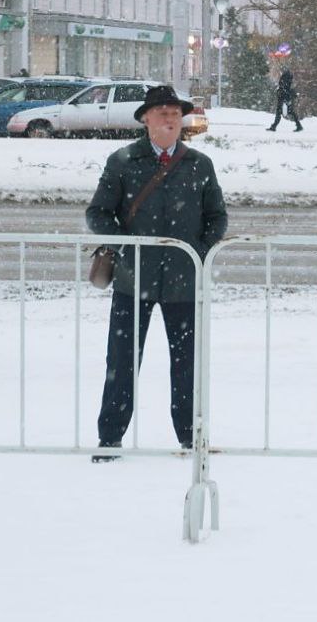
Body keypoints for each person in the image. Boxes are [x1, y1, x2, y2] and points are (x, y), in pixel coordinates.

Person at [86, 84, 228, 462]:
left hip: (184, 281)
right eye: (161, 111)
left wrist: (197, 250)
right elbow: (97, 214)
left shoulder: (199, 164)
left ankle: (190, 438)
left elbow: (217, 217)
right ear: (145, 119)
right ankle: (110, 439)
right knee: (121, 361)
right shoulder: (123, 161)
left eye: (174, 112)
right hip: (135, 282)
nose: (169, 117)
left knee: (187, 365)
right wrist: (125, 247)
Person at [268, 68, 303, 132]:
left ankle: (274, 126)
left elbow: (283, 87)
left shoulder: (285, 78)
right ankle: (298, 125)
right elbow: (285, 87)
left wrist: (280, 91)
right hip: (285, 97)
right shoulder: (287, 78)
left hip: (283, 97)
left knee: (281, 112)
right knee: (289, 112)